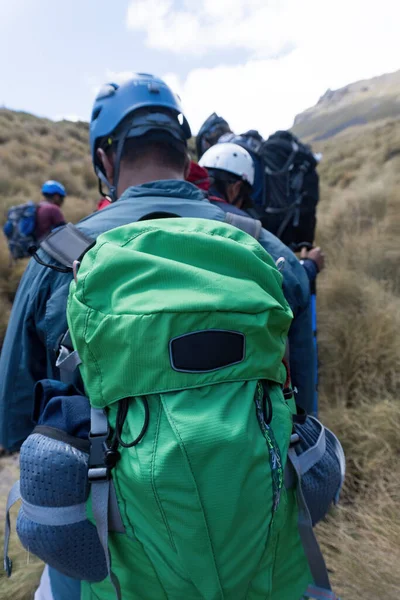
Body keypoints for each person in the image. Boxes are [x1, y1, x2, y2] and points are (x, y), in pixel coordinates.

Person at [0, 74, 314, 599]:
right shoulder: (269, 251)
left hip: (108, 559)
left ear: (105, 159)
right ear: (184, 146)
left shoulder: (58, 259)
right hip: (260, 546)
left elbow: (14, 416)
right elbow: (304, 402)